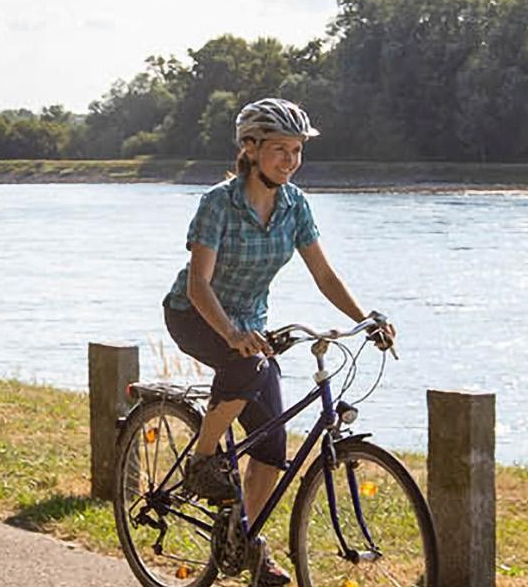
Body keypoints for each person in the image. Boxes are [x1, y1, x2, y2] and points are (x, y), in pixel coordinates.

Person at [161, 98, 394, 585]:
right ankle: (202, 461)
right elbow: (199, 284)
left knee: (271, 448)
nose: (290, 160)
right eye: (280, 150)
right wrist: (231, 333)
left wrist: (365, 317)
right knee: (247, 367)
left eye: (297, 150)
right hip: (195, 315)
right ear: (250, 148)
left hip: (250, 325)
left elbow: (323, 273)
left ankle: (243, 544)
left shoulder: (296, 205)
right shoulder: (217, 203)